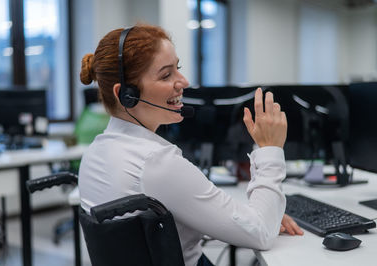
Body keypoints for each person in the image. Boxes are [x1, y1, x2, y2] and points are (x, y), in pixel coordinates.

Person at [78, 24, 303, 266]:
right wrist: (270, 149)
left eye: (178, 68)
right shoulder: (155, 162)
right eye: (166, 75)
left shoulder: (94, 154)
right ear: (126, 94)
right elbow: (260, 233)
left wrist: (247, 217)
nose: (183, 81)